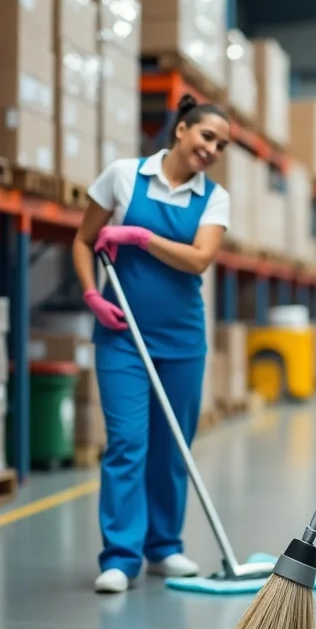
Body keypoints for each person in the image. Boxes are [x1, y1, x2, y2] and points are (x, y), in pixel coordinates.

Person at [72, 95, 231, 594]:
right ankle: (121, 556)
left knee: (172, 447)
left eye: (221, 145)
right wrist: (92, 295)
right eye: (207, 136)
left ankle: (163, 547)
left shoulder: (214, 197)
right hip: (121, 336)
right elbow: (83, 240)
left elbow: (199, 259)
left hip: (183, 339)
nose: (212, 149)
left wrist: (141, 238)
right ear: (181, 129)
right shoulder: (122, 176)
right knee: (126, 442)